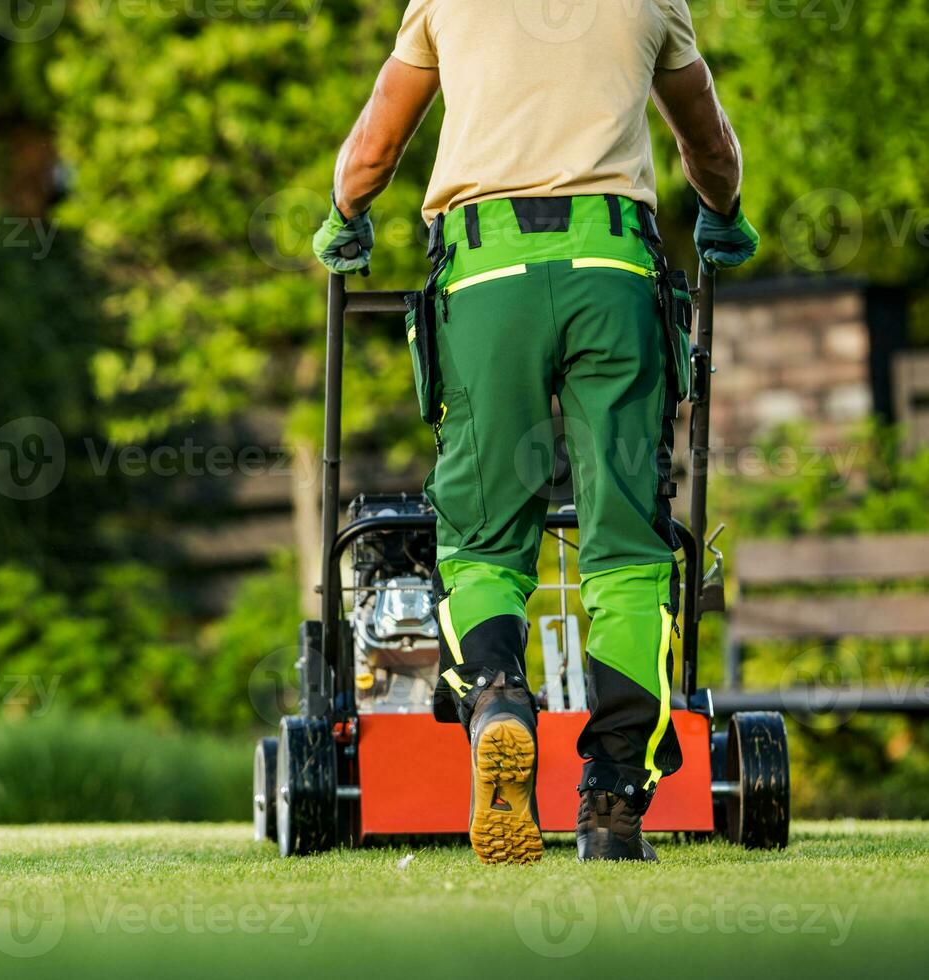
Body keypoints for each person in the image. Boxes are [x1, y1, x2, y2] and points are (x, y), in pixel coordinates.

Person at [312, 0, 759, 863]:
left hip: (487, 280)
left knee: (481, 541)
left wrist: (345, 215)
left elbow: (374, 146)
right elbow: (706, 143)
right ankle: (612, 801)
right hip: (614, 272)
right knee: (627, 550)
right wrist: (723, 211)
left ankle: (495, 698)